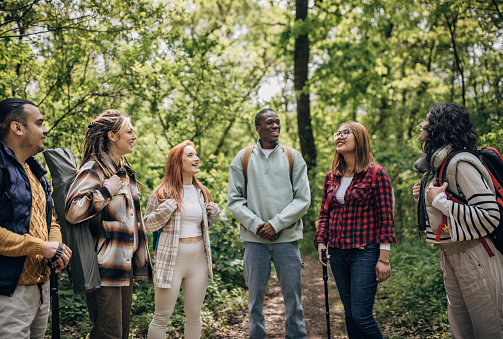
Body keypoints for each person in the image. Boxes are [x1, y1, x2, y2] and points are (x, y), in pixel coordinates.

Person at [412, 103, 503, 338]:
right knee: (462, 331)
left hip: (476, 254)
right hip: (451, 254)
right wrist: (426, 199)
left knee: (489, 328)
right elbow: (449, 207)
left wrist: (440, 201)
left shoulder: (460, 163)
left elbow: (490, 216)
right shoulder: (438, 165)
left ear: (438, 126)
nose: (421, 124)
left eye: (426, 119)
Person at [65, 109, 152, 339]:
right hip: (103, 269)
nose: (134, 136)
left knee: (120, 334)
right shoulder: (93, 169)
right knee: (108, 334)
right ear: (112, 136)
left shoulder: (123, 170)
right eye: (129, 131)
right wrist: (106, 191)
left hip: (123, 267)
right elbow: (72, 211)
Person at [228, 108, 311, 339]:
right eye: (269, 123)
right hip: (254, 242)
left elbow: (303, 199)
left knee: (293, 300)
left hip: (287, 241)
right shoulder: (243, 157)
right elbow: (234, 200)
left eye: (277, 122)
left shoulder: (292, 156)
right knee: (255, 300)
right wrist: (257, 225)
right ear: (258, 128)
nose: (275, 126)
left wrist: (276, 224)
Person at [0, 98, 71, 339]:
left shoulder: (35, 171)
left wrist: (56, 246)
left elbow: (51, 220)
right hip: (7, 291)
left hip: (41, 287)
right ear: (17, 128)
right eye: (39, 123)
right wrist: (41, 246)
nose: (45, 129)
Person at [315, 121, 396, 339]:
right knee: (349, 314)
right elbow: (325, 213)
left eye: (346, 133)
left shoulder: (376, 174)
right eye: (337, 133)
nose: (339, 137)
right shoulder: (331, 176)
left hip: (365, 252)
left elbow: (386, 217)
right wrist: (321, 241)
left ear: (359, 138)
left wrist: (384, 259)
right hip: (338, 253)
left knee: (361, 315)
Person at [144, 140, 220, 339]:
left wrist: (212, 214)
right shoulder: (161, 193)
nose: (196, 159)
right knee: (162, 316)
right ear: (177, 162)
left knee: (194, 315)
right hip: (170, 259)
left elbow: (201, 226)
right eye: (190, 155)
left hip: (198, 259)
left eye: (196, 155)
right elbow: (147, 225)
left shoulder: (201, 192)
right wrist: (168, 207)